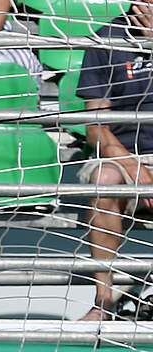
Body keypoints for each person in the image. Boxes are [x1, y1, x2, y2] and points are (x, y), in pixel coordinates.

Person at [76, 3, 153, 321]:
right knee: (104, 180)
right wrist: (137, 169)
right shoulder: (107, 36)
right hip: (123, 155)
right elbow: (95, 129)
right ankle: (103, 303)